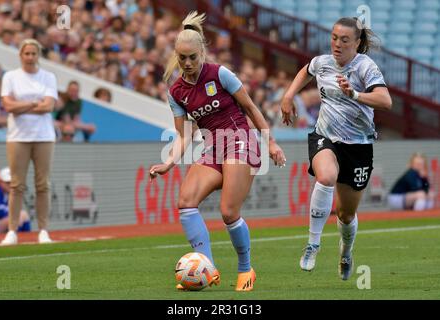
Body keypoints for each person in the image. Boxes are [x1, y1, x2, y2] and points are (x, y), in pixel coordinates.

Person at [149, 11, 286, 291]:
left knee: (228, 211)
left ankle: (246, 268)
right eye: (182, 58)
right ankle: (207, 268)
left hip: (240, 141)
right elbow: (184, 134)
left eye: (192, 57)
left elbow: (250, 107)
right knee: (186, 201)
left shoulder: (220, 74)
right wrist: (169, 163)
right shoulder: (176, 92)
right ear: (176, 55)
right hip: (214, 146)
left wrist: (269, 141)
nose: (187, 63)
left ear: (202, 53)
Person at [281, 17, 392, 280]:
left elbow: (385, 101)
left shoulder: (365, 67)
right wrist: (288, 96)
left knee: (346, 214)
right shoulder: (323, 62)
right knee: (326, 176)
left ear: (357, 43)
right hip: (325, 137)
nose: (337, 44)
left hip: (358, 146)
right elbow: (306, 70)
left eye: (344, 40)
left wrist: (354, 94)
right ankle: (313, 244)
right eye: (334, 38)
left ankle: (345, 252)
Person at [0, 38, 58, 245]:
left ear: (38, 56)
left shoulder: (48, 77)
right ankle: (12, 231)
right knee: (17, 185)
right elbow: (8, 106)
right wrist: (34, 103)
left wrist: (21, 105)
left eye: (34, 54)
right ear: (21, 55)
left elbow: (48, 106)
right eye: (27, 53)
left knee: (43, 184)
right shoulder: (11, 77)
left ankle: (43, 230)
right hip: (18, 136)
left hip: (43, 136)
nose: (30, 57)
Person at [0, 167, 31, 234]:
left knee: (22, 215)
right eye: (7, 182)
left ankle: (25, 238)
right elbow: (0, 213)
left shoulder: (7, 193)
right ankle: (20, 238)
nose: (10, 185)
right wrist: (15, 214)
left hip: (0, 223)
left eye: (12, 182)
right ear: (0, 182)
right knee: (18, 217)